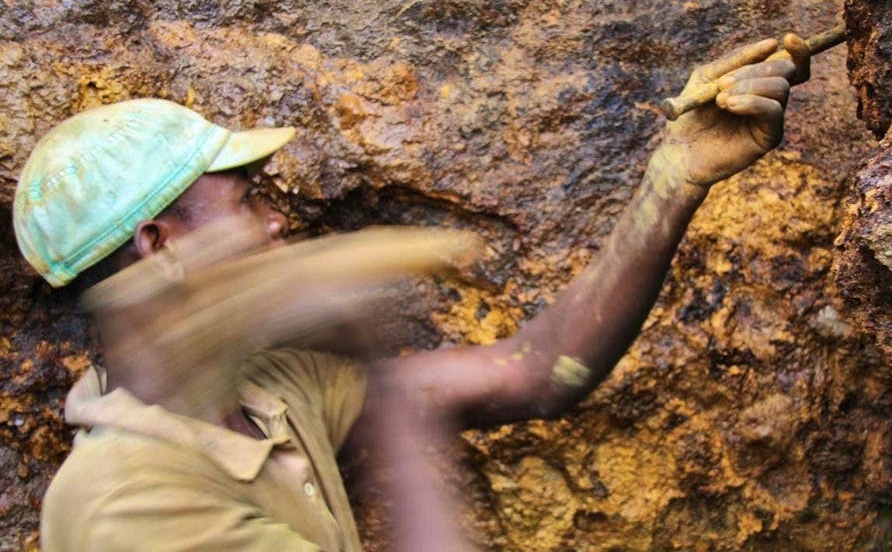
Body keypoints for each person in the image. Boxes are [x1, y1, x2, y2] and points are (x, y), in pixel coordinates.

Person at [15, 34, 812, 551]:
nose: (277, 222)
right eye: (249, 197)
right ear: (161, 248)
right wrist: (363, 342)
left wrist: (671, 178)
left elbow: (536, 370)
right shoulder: (120, 502)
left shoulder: (260, 390)